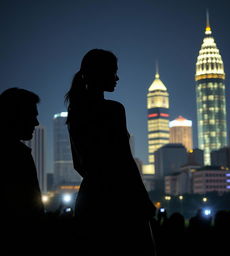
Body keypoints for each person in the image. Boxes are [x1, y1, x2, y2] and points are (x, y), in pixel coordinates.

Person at [65, 49, 156, 255]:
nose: (117, 78)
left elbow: (78, 165)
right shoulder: (113, 110)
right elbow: (124, 160)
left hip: (90, 198)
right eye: (113, 72)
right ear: (100, 73)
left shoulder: (75, 112)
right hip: (120, 201)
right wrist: (143, 199)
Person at [0, 88, 44, 250]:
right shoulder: (17, 156)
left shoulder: (17, 153)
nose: (36, 122)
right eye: (32, 115)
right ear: (15, 115)